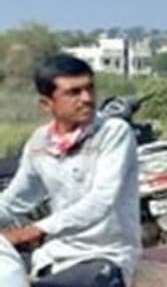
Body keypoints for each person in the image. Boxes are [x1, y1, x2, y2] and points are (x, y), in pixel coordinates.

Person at [0, 54, 141, 287]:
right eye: (73, 92)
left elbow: (100, 202)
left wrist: (33, 230)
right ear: (47, 104)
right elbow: (16, 200)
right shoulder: (40, 142)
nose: (86, 99)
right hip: (53, 255)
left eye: (89, 89)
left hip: (103, 254)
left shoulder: (113, 132)